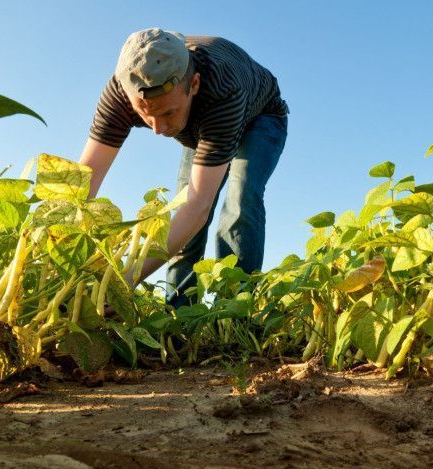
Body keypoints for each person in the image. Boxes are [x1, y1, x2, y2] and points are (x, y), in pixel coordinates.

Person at [79, 28, 288, 306]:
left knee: (240, 197)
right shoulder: (120, 92)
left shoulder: (223, 90)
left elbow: (198, 207)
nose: (158, 129)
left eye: (168, 112)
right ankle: (179, 312)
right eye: (145, 114)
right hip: (199, 125)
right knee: (181, 214)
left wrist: (123, 280)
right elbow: (83, 182)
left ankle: (236, 309)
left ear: (194, 84)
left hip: (260, 117)